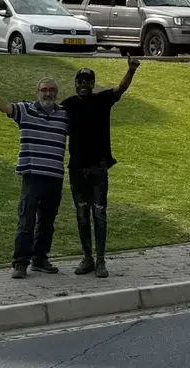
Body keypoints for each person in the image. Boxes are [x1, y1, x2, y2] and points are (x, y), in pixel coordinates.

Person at [62, 57, 140, 278]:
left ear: (93, 84)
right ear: (75, 83)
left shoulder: (102, 100)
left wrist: (131, 70)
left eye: (88, 81)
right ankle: (87, 258)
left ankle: (101, 261)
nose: (83, 84)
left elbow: (120, 88)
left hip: (97, 168)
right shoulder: (68, 105)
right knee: (81, 214)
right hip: (76, 168)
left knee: (99, 213)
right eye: (80, 81)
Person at [0, 77, 69, 279]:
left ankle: (40, 259)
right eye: (44, 90)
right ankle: (20, 263)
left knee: (47, 222)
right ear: (37, 92)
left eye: (51, 90)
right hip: (32, 176)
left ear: (56, 93)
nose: (48, 93)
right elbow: (5, 108)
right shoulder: (25, 110)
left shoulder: (65, 115)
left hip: (55, 176)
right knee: (27, 220)